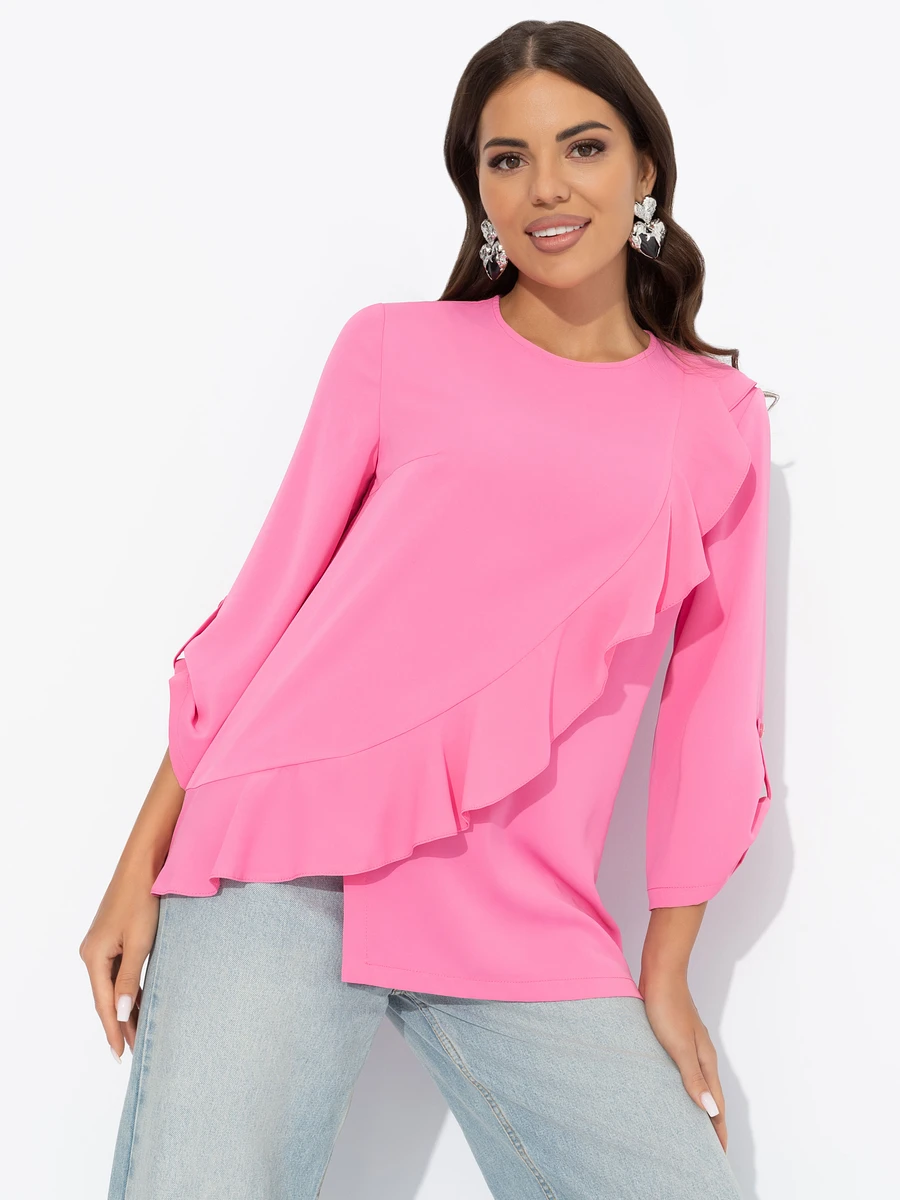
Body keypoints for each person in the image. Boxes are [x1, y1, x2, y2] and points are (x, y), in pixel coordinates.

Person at [81, 18, 774, 1200]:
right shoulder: (393, 349)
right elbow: (264, 611)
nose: (547, 187)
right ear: (479, 190)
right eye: (508, 159)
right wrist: (136, 867)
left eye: (584, 147)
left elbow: (712, 712)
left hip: (524, 904)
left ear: (645, 169)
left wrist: (668, 969)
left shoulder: (714, 419)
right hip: (281, 857)